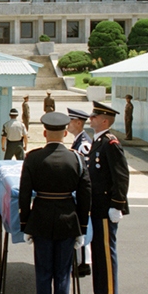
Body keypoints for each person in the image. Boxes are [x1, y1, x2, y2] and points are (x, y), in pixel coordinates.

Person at [19, 112, 91, 294]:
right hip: (68, 221)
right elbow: (85, 194)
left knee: (43, 276)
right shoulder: (76, 159)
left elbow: (24, 194)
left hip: (40, 220)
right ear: (64, 133)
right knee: (62, 277)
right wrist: (82, 226)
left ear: (44, 132)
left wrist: (25, 223)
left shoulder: (33, 158)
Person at [82, 101, 129, 294]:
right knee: (98, 251)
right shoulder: (98, 141)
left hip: (106, 206)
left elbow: (121, 176)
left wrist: (117, 205)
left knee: (106, 253)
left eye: (94, 116)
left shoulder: (110, 143)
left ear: (104, 120)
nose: (90, 119)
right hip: (98, 206)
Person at [67, 107, 94, 277]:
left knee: (82, 230)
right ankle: (81, 262)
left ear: (78, 122)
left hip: (82, 194)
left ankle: (83, 264)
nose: (68, 125)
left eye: (70, 121)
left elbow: (86, 172)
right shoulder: (79, 140)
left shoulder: (83, 144)